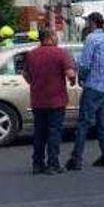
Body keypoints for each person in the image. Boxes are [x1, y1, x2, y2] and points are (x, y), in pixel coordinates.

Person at [22, 28, 76, 175]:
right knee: (54, 133)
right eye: (56, 36)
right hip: (56, 100)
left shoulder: (31, 54)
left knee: (39, 133)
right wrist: (72, 81)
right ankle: (53, 164)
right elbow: (70, 73)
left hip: (38, 100)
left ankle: (37, 163)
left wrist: (33, 83)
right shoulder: (61, 53)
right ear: (51, 37)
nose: (57, 38)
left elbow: (25, 74)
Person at [66, 12, 104, 170]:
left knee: (83, 123)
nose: (86, 24)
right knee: (103, 123)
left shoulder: (91, 39)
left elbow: (86, 63)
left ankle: (76, 159)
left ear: (93, 22)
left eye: (88, 21)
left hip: (93, 85)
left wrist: (81, 77)